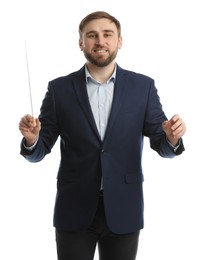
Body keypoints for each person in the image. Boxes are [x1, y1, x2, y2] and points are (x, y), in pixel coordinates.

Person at [19, 11, 186, 260]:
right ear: (81, 42)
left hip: (124, 207)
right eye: (92, 35)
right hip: (73, 208)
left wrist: (172, 138)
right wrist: (32, 140)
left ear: (119, 41)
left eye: (108, 34)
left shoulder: (143, 87)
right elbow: (39, 151)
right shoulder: (59, 89)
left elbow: (161, 143)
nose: (100, 41)